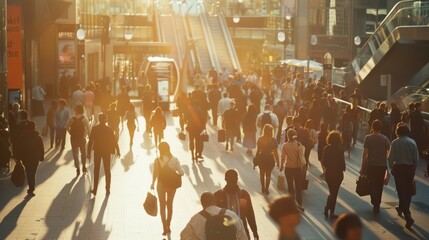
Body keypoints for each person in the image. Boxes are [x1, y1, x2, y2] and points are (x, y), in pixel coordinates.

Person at [388, 125, 419, 228]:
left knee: (401, 191)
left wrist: (392, 168)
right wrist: (413, 170)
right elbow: (416, 159)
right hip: (410, 168)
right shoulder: (412, 142)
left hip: (399, 169)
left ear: (398, 132)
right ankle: (402, 208)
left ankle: (407, 215)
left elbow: (390, 159)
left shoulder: (395, 142)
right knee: (408, 191)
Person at [180, 192, 248, 240]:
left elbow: (183, 236)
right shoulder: (232, 215)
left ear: (202, 204)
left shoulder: (196, 219)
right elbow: (243, 236)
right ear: (215, 201)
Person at [151, 142, 185, 236]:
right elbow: (181, 172)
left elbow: (155, 173)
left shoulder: (157, 160)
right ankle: (168, 224)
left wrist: (152, 183)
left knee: (162, 206)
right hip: (172, 185)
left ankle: (164, 227)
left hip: (161, 185)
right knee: (170, 205)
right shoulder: (175, 160)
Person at [214, 169, 259, 240]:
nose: (232, 182)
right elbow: (213, 216)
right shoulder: (218, 195)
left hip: (242, 232)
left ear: (237, 179)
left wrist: (255, 232)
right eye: (230, 179)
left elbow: (250, 214)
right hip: (225, 233)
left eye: (234, 179)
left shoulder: (244, 195)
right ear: (226, 179)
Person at [360, 120, 390, 214]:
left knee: (372, 183)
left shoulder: (368, 138)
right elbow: (389, 153)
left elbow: (364, 154)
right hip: (382, 166)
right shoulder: (385, 139)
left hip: (371, 165)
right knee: (379, 185)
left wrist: (362, 168)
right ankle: (377, 203)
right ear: (381, 128)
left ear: (372, 127)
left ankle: (374, 201)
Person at [87, 113, 120, 196]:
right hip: (106, 151)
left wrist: (88, 153)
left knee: (96, 170)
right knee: (107, 170)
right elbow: (114, 140)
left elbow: (90, 141)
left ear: (99, 119)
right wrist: (118, 150)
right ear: (105, 120)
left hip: (97, 151)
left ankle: (95, 189)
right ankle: (108, 189)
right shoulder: (109, 129)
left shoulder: (95, 129)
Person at [322, 130, 345, 219]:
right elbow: (342, 163)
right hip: (338, 174)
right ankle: (330, 211)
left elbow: (324, 162)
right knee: (334, 193)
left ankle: (328, 209)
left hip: (329, 173)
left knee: (332, 192)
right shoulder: (340, 149)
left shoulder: (326, 148)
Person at [17, 121, 44, 196]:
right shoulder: (38, 137)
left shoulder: (22, 137)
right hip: (35, 158)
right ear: (34, 127)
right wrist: (41, 157)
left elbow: (19, 148)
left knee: (29, 172)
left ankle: (31, 188)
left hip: (26, 158)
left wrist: (18, 158)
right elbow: (41, 148)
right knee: (33, 173)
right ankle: (31, 188)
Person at [280, 129, 304, 211]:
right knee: (298, 187)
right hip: (297, 168)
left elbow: (283, 158)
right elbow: (301, 155)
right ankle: (299, 204)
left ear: (288, 136)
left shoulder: (285, 145)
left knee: (290, 187)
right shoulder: (298, 144)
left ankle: (292, 205)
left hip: (288, 168)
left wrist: (281, 166)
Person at [66, 105, 91, 175]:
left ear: (76, 110)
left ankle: (77, 167)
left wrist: (70, 132)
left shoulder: (72, 118)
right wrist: (89, 137)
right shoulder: (84, 118)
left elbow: (66, 127)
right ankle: (83, 165)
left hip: (74, 138)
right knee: (83, 153)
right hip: (82, 138)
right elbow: (89, 129)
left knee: (75, 153)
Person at [255, 124, 279, 195]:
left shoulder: (260, 139)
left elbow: (258, 151)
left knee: (262, 174)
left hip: (262, 158)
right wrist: (278, 162)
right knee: (268, 175)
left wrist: (256, 159)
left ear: (264, 130)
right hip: (270, 159)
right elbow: (276, 153)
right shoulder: (274, 140)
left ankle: (263, 187)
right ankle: (267, 189)